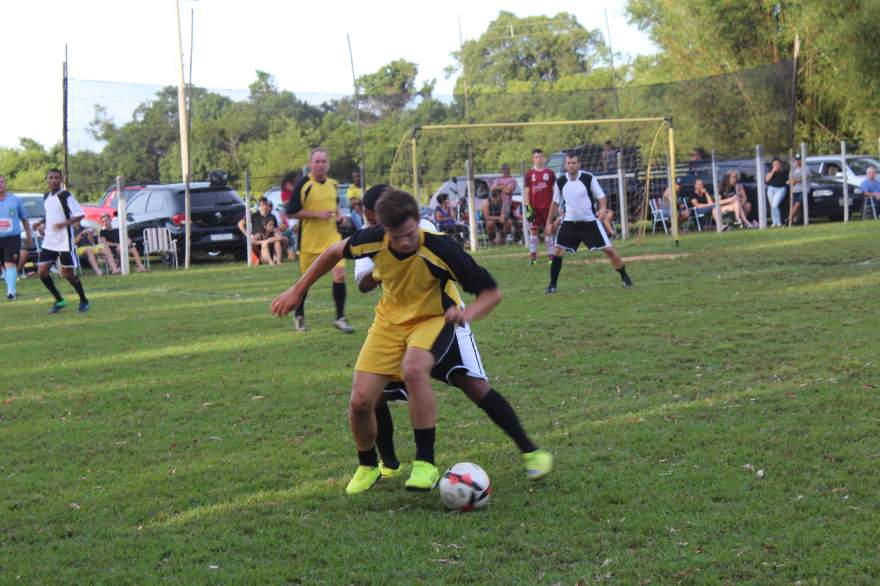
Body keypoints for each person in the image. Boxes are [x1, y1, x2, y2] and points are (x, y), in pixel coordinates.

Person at [271, 187, 506, 494]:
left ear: (416, 222)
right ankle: (368, 465)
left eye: (410, 233)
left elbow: (491, 292)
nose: (406, 241)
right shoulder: (372, 239)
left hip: (431, 318)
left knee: (414, 369)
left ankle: (425, 463)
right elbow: (331, 254)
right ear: (384, 229)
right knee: (360, 401)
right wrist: (298, 290)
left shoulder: (440, 247)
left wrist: (469, 312)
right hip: (389, 323)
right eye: (397, 236)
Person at [355, 185, 552, 482]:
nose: (376, 227)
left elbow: (481, 284)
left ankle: (530, 451)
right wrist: (383, 260)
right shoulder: (375, 240)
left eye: (377, 221)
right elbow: (362, 283)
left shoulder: (421, 230)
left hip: (444, 318)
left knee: (473, 384)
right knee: (375, 395)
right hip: (398, 325)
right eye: (372, 222)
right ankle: (389, 463)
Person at [285, 148, 352, 333]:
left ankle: (340, 318)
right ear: (310, 164)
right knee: (305, 282)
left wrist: (341, 217)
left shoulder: (333, 184)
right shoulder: (304, 185)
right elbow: (291, 211)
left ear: (328, 164)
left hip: (332, 239)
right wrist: (317, 214)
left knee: (340, 274)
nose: (320, 165)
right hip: (310, 242)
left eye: (323, 161)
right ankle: (299, 316)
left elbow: (335, 206)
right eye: (317, 162)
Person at [545, 152, 633, 293]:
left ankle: (625, 277)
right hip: (569, 223)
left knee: (609, 251)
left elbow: (601, 196)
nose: (571, 165)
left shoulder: (588, 178)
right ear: (565, 165)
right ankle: (552, 285)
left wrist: (603, 208)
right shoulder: (560, 182)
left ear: (578, 164)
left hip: (589, 222)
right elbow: (555, 202)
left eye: (574, 163)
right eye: (569, 163)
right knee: (558, 251)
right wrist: (549, 222)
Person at [36, 169, 90, 313]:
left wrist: (64, 224)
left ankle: (84, 300)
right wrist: (40, 223)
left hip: (64, 242)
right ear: (46, 180)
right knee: (41, 272)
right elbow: (51, 215)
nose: (54, 180)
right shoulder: (46, 196)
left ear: (61, 180)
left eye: (56, 178)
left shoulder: (66, 195)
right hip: (49, 241)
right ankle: (60, 300)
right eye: (51, 177)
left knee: (68, 275)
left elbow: (80, 215)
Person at [0, 174, 32, 300]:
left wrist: (29, 235)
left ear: (6, 184)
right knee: (3, 266)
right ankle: (10, 286)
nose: (0, 184)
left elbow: (24, 218)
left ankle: (11, 292)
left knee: (10, 264)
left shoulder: (15, 200)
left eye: (2, 181)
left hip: (12, 238)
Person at [524, 148, 557, 264]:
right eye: (536, 157)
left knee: (548, 231)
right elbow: (527, 191)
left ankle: (551, 258)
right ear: (533, 159)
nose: (539, 159)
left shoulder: (550, 173)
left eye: (541, 157)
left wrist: (556, 206)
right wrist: (527, 208)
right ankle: (533, 258)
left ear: (544, 158)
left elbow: (554, 191)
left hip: (548, 208)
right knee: (533, 232)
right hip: (534, 208)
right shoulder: (529, 174)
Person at [788, 155, 812, 226]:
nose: (798, 162)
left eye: (800, 160)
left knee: (797, 205)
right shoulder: (793, 170)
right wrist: (792, 181)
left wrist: (795, 180)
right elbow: (790, 180)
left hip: (803, 190)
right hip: (794, 190)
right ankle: (795, 222)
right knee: (796, 209)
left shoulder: (806, 168)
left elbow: (804, 178)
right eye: (797, 160)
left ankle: (788, 219)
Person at [765, 157, 789, 227]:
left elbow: (787, 180)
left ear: (780, 164)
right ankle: (774, 222)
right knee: (772, 206)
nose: (776, 165)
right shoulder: (771, 171)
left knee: (775, 204)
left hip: (781, 189)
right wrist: (773, 171)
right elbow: (767, 180)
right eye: (774, 164)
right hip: (771, 189)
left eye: (777, 164)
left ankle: (778, 222)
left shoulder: (784, 171)